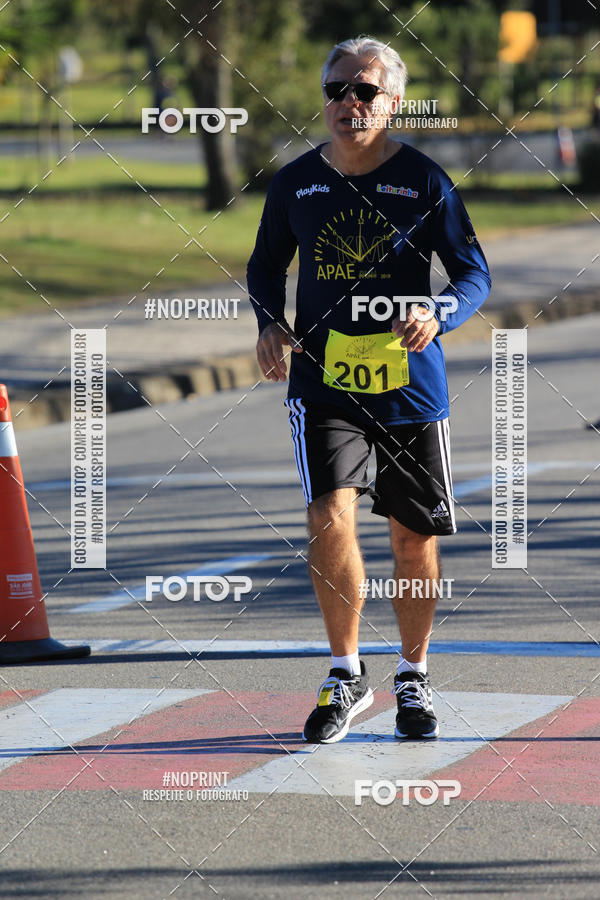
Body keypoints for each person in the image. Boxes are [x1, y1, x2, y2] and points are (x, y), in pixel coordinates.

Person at [247, 37, 491, 744]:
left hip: (410, 384)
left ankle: (412, 675)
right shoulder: (295, 183)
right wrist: (270, 323)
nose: (348, 103)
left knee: (412, 540)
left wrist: (438, 313)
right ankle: (345, 671)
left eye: (364, 91)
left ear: (393, 103)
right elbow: (266, 268)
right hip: (323, 380)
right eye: (336, 90)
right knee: (330, 513)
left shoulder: (425, 181)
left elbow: (473, 274)